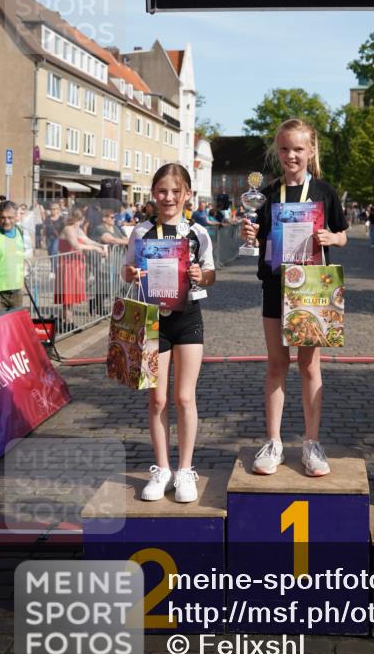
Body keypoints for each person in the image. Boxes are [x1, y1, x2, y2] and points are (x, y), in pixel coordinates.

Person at [241, 118, 348, 477]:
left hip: (313, 288)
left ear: (311, 151)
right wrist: (250, 234)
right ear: (277, 151)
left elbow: (343, 235)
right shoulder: (267, 195)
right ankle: (273, 442)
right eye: (285, 149)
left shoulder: (324, 192)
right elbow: (258, 241)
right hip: (275, 285)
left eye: (298, 149)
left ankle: (312, 443)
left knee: (309, 367)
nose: (291, 155)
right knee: (276, 365)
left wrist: (333, 239)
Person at [123, 164, 216, 503]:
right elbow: (126, 269)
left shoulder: (197, 233)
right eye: (162, 191)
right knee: (158, 398)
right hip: (152, 319)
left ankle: (185, 470)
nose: (169, 197)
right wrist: (132, 272)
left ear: (187, 194)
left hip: (188, 317)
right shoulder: (141, 232)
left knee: (184, 398)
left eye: (176, 191)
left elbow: (210, 273)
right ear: (153, 193)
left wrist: (200, 275)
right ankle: (161, 468)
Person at [54, 208, 106, 333]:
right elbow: (75, 245)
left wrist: (100, 245)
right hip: (67, 264)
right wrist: (95, 248)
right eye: (81, 220)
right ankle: (69, 322)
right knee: (68, 296)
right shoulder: (68, 229)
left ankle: (63, 320)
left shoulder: (77, 229)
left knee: (71, 296)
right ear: (79, 219)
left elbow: (87, 240)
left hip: (75, 264)